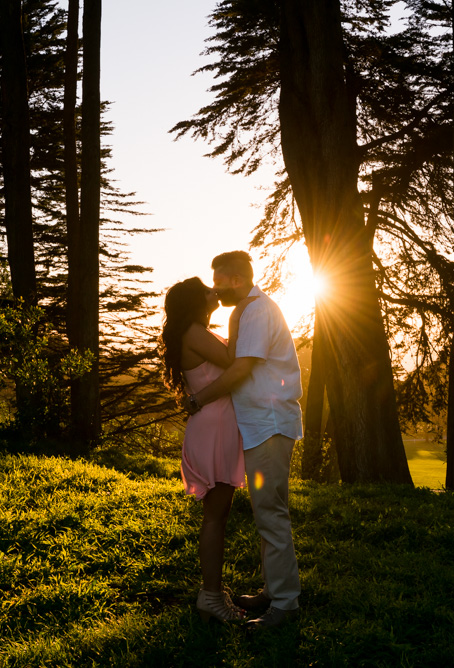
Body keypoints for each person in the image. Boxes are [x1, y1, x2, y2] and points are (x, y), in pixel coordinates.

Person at [186, 251, 303, 630]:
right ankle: (273, 590)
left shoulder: (255, 311)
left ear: (235, 278)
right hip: (258, 425)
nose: (215, 290)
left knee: (271, 513)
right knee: (265, 512)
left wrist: (200, 399)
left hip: (268, 425)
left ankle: (284, 605)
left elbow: (240, 369)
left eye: (218, 281)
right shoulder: (245, 311)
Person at [160, 277, 248, 624]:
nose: (216, 292)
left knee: (219, 515)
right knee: (215, 517)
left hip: (217, 425)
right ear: (196, 301)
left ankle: (213, 591)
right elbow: (232, 358)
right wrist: (238, 317)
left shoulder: (197, 330)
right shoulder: (195, 332)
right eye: (208, 291)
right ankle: (210, 596)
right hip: (214, 428)